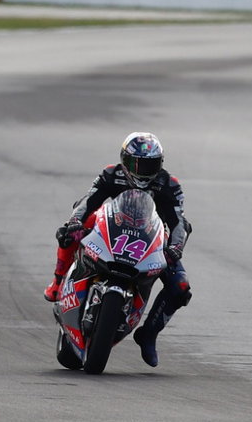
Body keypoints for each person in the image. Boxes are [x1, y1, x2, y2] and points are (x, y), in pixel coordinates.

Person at [43, 132, 193, 367]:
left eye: (150, 165)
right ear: (125, 160)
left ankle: (148, 334)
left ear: (160, 163)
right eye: (136, 164)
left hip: (150, 238)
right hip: (111, 226)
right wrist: (75, 222)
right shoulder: (112, 173)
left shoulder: (169, 184)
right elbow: (88, 201)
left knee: (180, 287)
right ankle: (57, 281)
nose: (142, 171)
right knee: (68, 232)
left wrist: (175, 247)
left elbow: (179, 222)